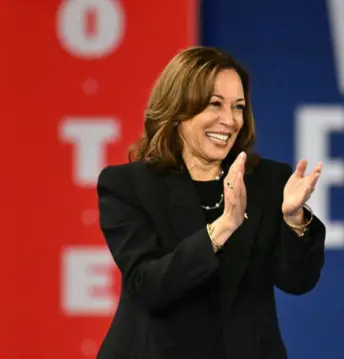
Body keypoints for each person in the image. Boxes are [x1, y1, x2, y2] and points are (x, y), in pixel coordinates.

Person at [96, 46, 326, 359]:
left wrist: (293, 219)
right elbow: (147, 286)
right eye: (214, 104)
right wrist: (221, 229)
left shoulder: (266, 181)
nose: (229, 120)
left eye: (238, 107)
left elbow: (298, 281)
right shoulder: (128, 186)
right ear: (178, 110)